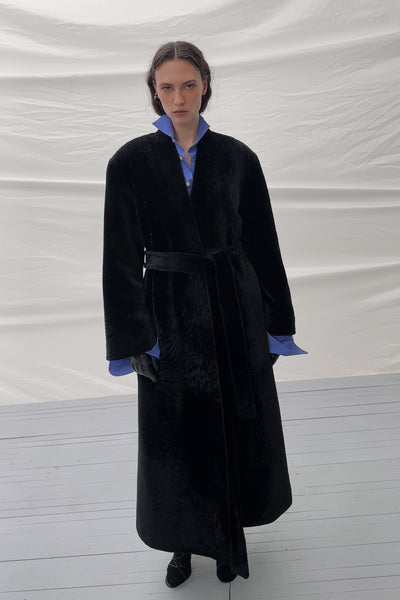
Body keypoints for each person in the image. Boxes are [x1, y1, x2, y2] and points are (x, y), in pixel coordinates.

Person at [102, 41, 306, 589]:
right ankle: (181, 545)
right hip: (167, 312)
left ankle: (227, 540)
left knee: (234, 427)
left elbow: (263, 244)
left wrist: (276, 325)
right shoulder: (130, 162)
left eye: (188, 85)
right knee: (176, 436)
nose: (178, 97)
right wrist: (134, 337)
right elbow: (120, 256)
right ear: (154, 91)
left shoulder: (238, 158)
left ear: (206, 85)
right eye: (167, 87)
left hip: (233, 306)